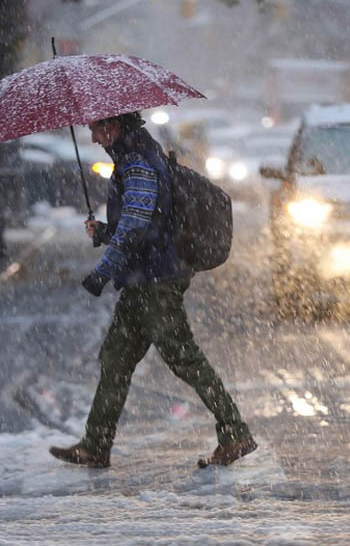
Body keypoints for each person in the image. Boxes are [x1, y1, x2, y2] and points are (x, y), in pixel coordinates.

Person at [49, 112, 256, 468]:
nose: (95, 138)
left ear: (113, 126)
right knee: (116, 359)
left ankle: (235, 432)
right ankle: (96, 444)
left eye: (96, 129)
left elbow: (135, 229)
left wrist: (102, 272)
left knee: (185, 359)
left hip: (157, 282)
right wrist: (103, 232)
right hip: (142, 281)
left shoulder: (138, 164)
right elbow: (140, 224)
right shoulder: (135, 158)